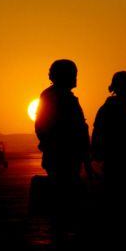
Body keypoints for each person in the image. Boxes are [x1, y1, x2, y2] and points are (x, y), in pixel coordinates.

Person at [34, 59, 93, 200]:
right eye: (73, 74)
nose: (76, 78)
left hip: (60, 157)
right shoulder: (61, 98)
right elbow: (76, 132)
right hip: (65, 159)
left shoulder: (51, 96)